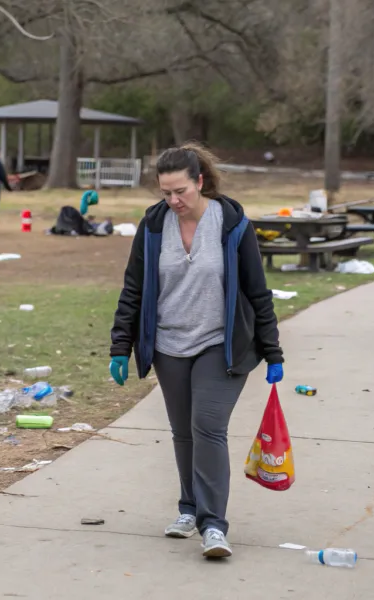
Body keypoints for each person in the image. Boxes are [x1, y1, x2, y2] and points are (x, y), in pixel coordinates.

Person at [108, 143, 284, 559]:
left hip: (219, 344)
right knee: (183, 432)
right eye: (166, 192)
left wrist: (273, 351)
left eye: (181, 191)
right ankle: (188, 509)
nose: (174, 201)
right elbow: (133, 288)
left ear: (200, 181)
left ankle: (213, 525)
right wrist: (120, 345)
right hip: (169, 345)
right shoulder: (153, 225)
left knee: (207, 427)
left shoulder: (231, 222)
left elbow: (257, 290)